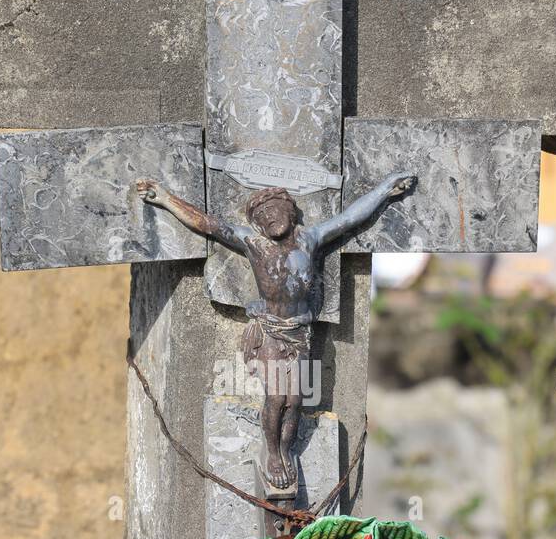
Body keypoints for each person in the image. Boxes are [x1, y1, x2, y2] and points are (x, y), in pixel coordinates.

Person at [137, 170, 416, 494]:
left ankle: (285, 451)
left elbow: (350, 217)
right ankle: (271, 453)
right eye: (262, 216)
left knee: (296, 400)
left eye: (274, 210)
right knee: (276, 396)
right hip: (271, 329)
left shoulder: (309, 239)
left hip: (299, 330)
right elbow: (209, 224)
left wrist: (384, 190)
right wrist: (167, 199)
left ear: (289, 211)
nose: (270, 219)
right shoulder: (254, 244)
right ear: (256, 225)